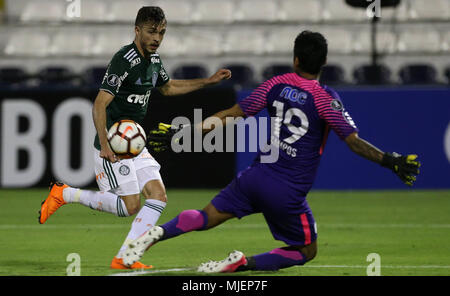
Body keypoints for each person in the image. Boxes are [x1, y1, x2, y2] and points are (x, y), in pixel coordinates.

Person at [121, 30, 421, 272]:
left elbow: (230, 114)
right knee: (307, 250)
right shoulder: (326, 99)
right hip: (287, 192)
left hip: (255, 177)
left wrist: (181, 132)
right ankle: (243, 263)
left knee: (205, 216)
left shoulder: (276, 85)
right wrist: (389, 160)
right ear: (324, 62)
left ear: (295, 60)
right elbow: (353, 140)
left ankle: (155, 234)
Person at [38, 6, 231, 270]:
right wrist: (105, 145)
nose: (157, 38)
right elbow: (99, 104)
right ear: (137, 30)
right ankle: (66, 193)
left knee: (158, 197)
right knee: (130, 207)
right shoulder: (123, 60)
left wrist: (208, 82)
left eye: (161, 32)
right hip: (114, 145)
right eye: (152, 32)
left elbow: (168, 87)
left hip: (134, 143)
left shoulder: (153, 60)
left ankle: (125, 257)